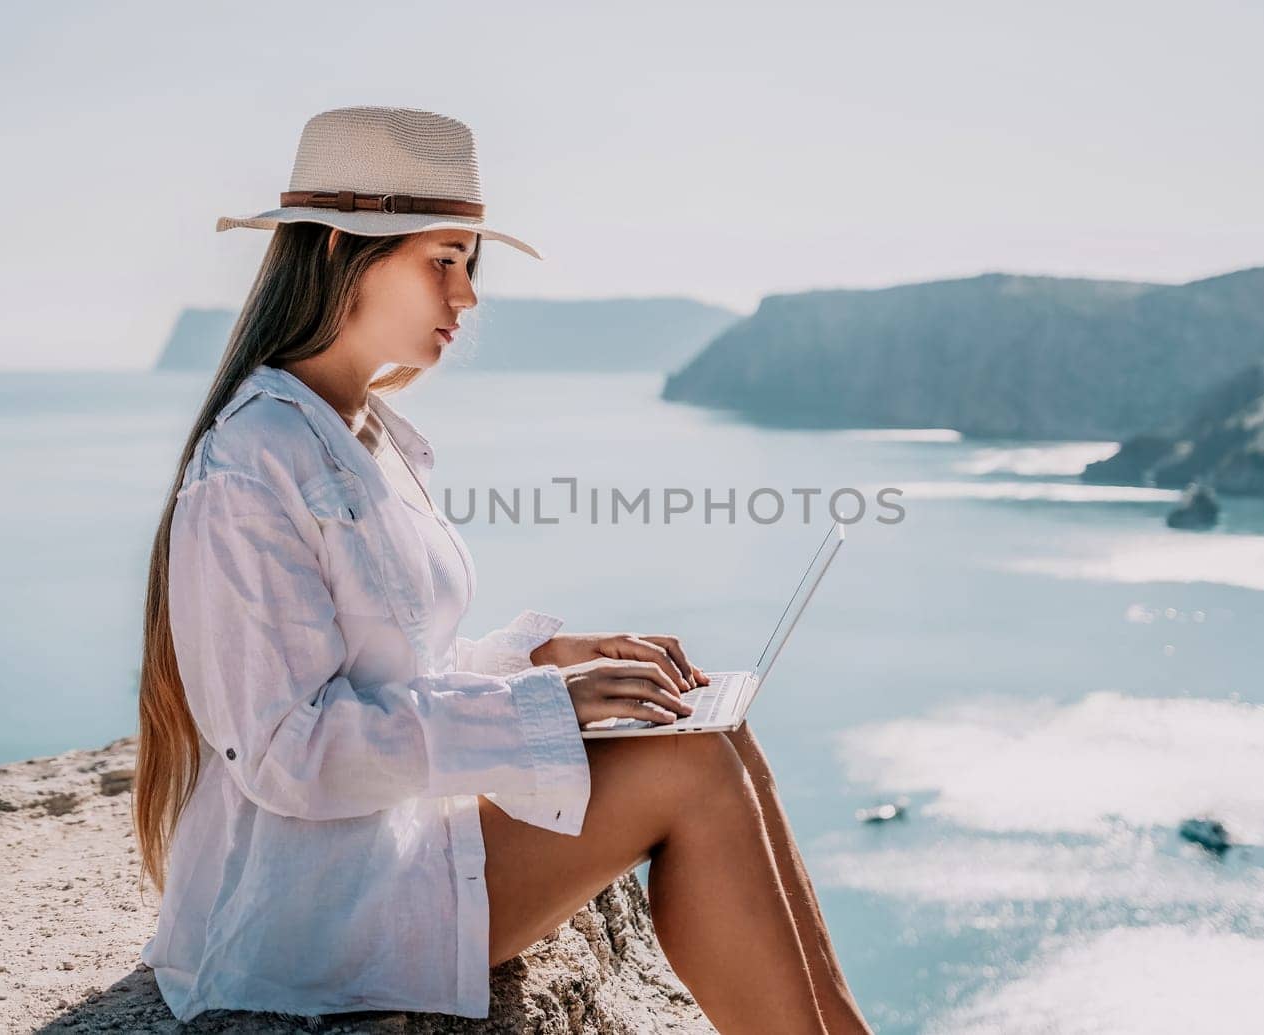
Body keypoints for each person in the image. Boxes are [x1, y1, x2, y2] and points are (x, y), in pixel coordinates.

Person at [132, 106, 872, 1034]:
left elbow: (391, 668)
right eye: (443, 259)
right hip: (309, 908)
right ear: (334, 253)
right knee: (689, 767)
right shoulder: (255, 459)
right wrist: (550, 705)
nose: (468, 295)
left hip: (383, 845)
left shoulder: (364, 437)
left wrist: (543, 658)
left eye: (468, 263)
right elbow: (292, 752)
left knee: (714, 728)